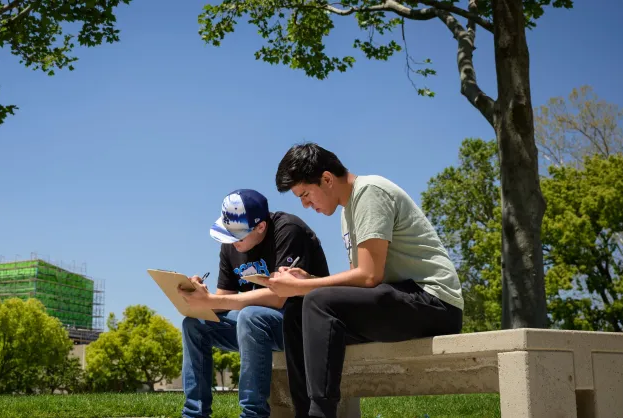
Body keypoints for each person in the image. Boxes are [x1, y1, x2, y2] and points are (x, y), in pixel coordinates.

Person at [266, 142, 464, 418]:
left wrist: (300, 286)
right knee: (297, 312)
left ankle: (320, 413)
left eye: (306, 195)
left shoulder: (370, 192)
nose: (306, 205)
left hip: (434, 303)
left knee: (315, 300)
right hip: (398, 298)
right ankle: (305, 412)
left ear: (326, 179)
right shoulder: (347, 213)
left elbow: (370, 276)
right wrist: (307, 279)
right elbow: (358, 282)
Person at [177, 188, 330, 418]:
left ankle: (253, 414)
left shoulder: (288, 230)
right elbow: (225, 297)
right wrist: (197, 296)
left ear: (261, 227)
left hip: (298, 324)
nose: (232, 242)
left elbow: (279, 297)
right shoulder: (230, 244)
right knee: (194, 324)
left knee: (251, 316)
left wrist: (214, 300)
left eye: (238, 236)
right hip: (254, 326)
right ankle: (194, 414)